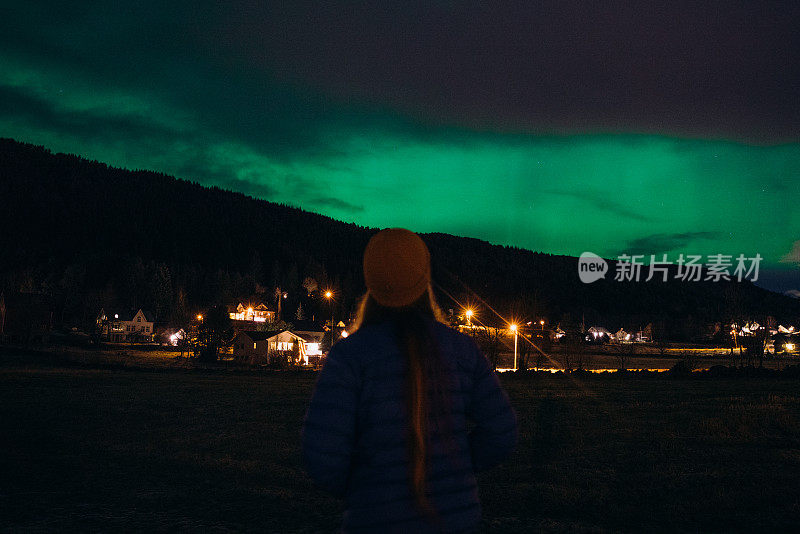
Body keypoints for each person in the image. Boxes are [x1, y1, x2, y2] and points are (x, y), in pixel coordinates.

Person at [302, 228, 517, 533]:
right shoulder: (463, 351)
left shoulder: (350, 356)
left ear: (370, 280)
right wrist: (454, 467)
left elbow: (322, 453)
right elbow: (502, 431)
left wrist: (366, 487)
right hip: (456, 521)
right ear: (424, 276)